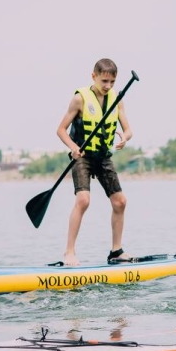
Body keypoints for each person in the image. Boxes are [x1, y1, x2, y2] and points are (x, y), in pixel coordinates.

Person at [56, 58, 133, 266]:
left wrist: (125, 138)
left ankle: (116, 251)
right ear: (94, 76)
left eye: (112, 82)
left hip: (103, 157)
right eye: (104, 81)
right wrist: (73, 148)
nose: (107, 86)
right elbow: (61, 130)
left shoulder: (117, 99)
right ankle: (69, 253)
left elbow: (128, 129)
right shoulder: (80, 99)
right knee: (83, 200)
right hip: (82, 157)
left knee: (120, 202)